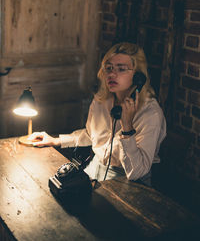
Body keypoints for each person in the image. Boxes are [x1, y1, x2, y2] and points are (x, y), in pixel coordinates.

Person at [28, 42, 166, 186]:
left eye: (121, 69)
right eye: (109, 68)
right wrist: (57, 141)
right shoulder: (101, 100)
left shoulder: (151, 113)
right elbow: (91, 135)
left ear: (138, 76)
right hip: (94, 169)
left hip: (129, 182)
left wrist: (127, 127)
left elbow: (137, 172)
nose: (112, 74)